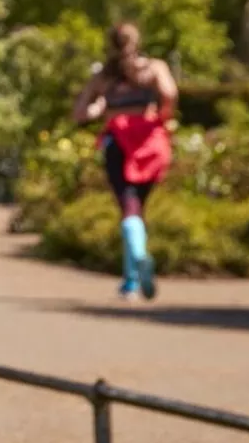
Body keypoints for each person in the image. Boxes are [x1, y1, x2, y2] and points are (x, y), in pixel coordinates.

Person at [72, 21, 178, 301]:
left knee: (128, 207)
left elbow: (80, 112)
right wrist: (162, 115)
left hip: (119, 140)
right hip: (152, 142)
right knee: (137, 208)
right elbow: (170, 94)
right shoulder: (154, 68)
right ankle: (131, 279)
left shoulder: (104, 77)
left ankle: (137, 266)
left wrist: (102, 108)